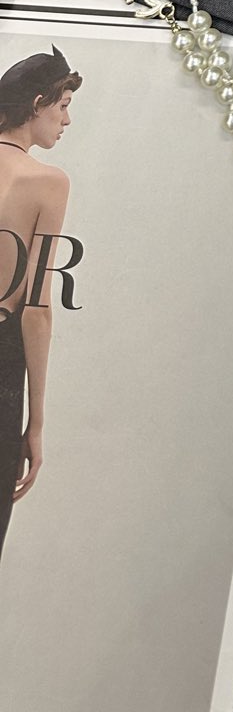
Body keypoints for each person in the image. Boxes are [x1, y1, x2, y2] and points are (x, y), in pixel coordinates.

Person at [0, 45, 81, 564]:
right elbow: (37, 309)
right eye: (63, 106)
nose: (66, 121)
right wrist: (37, 421)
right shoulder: (47, 182)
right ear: (37, 104)